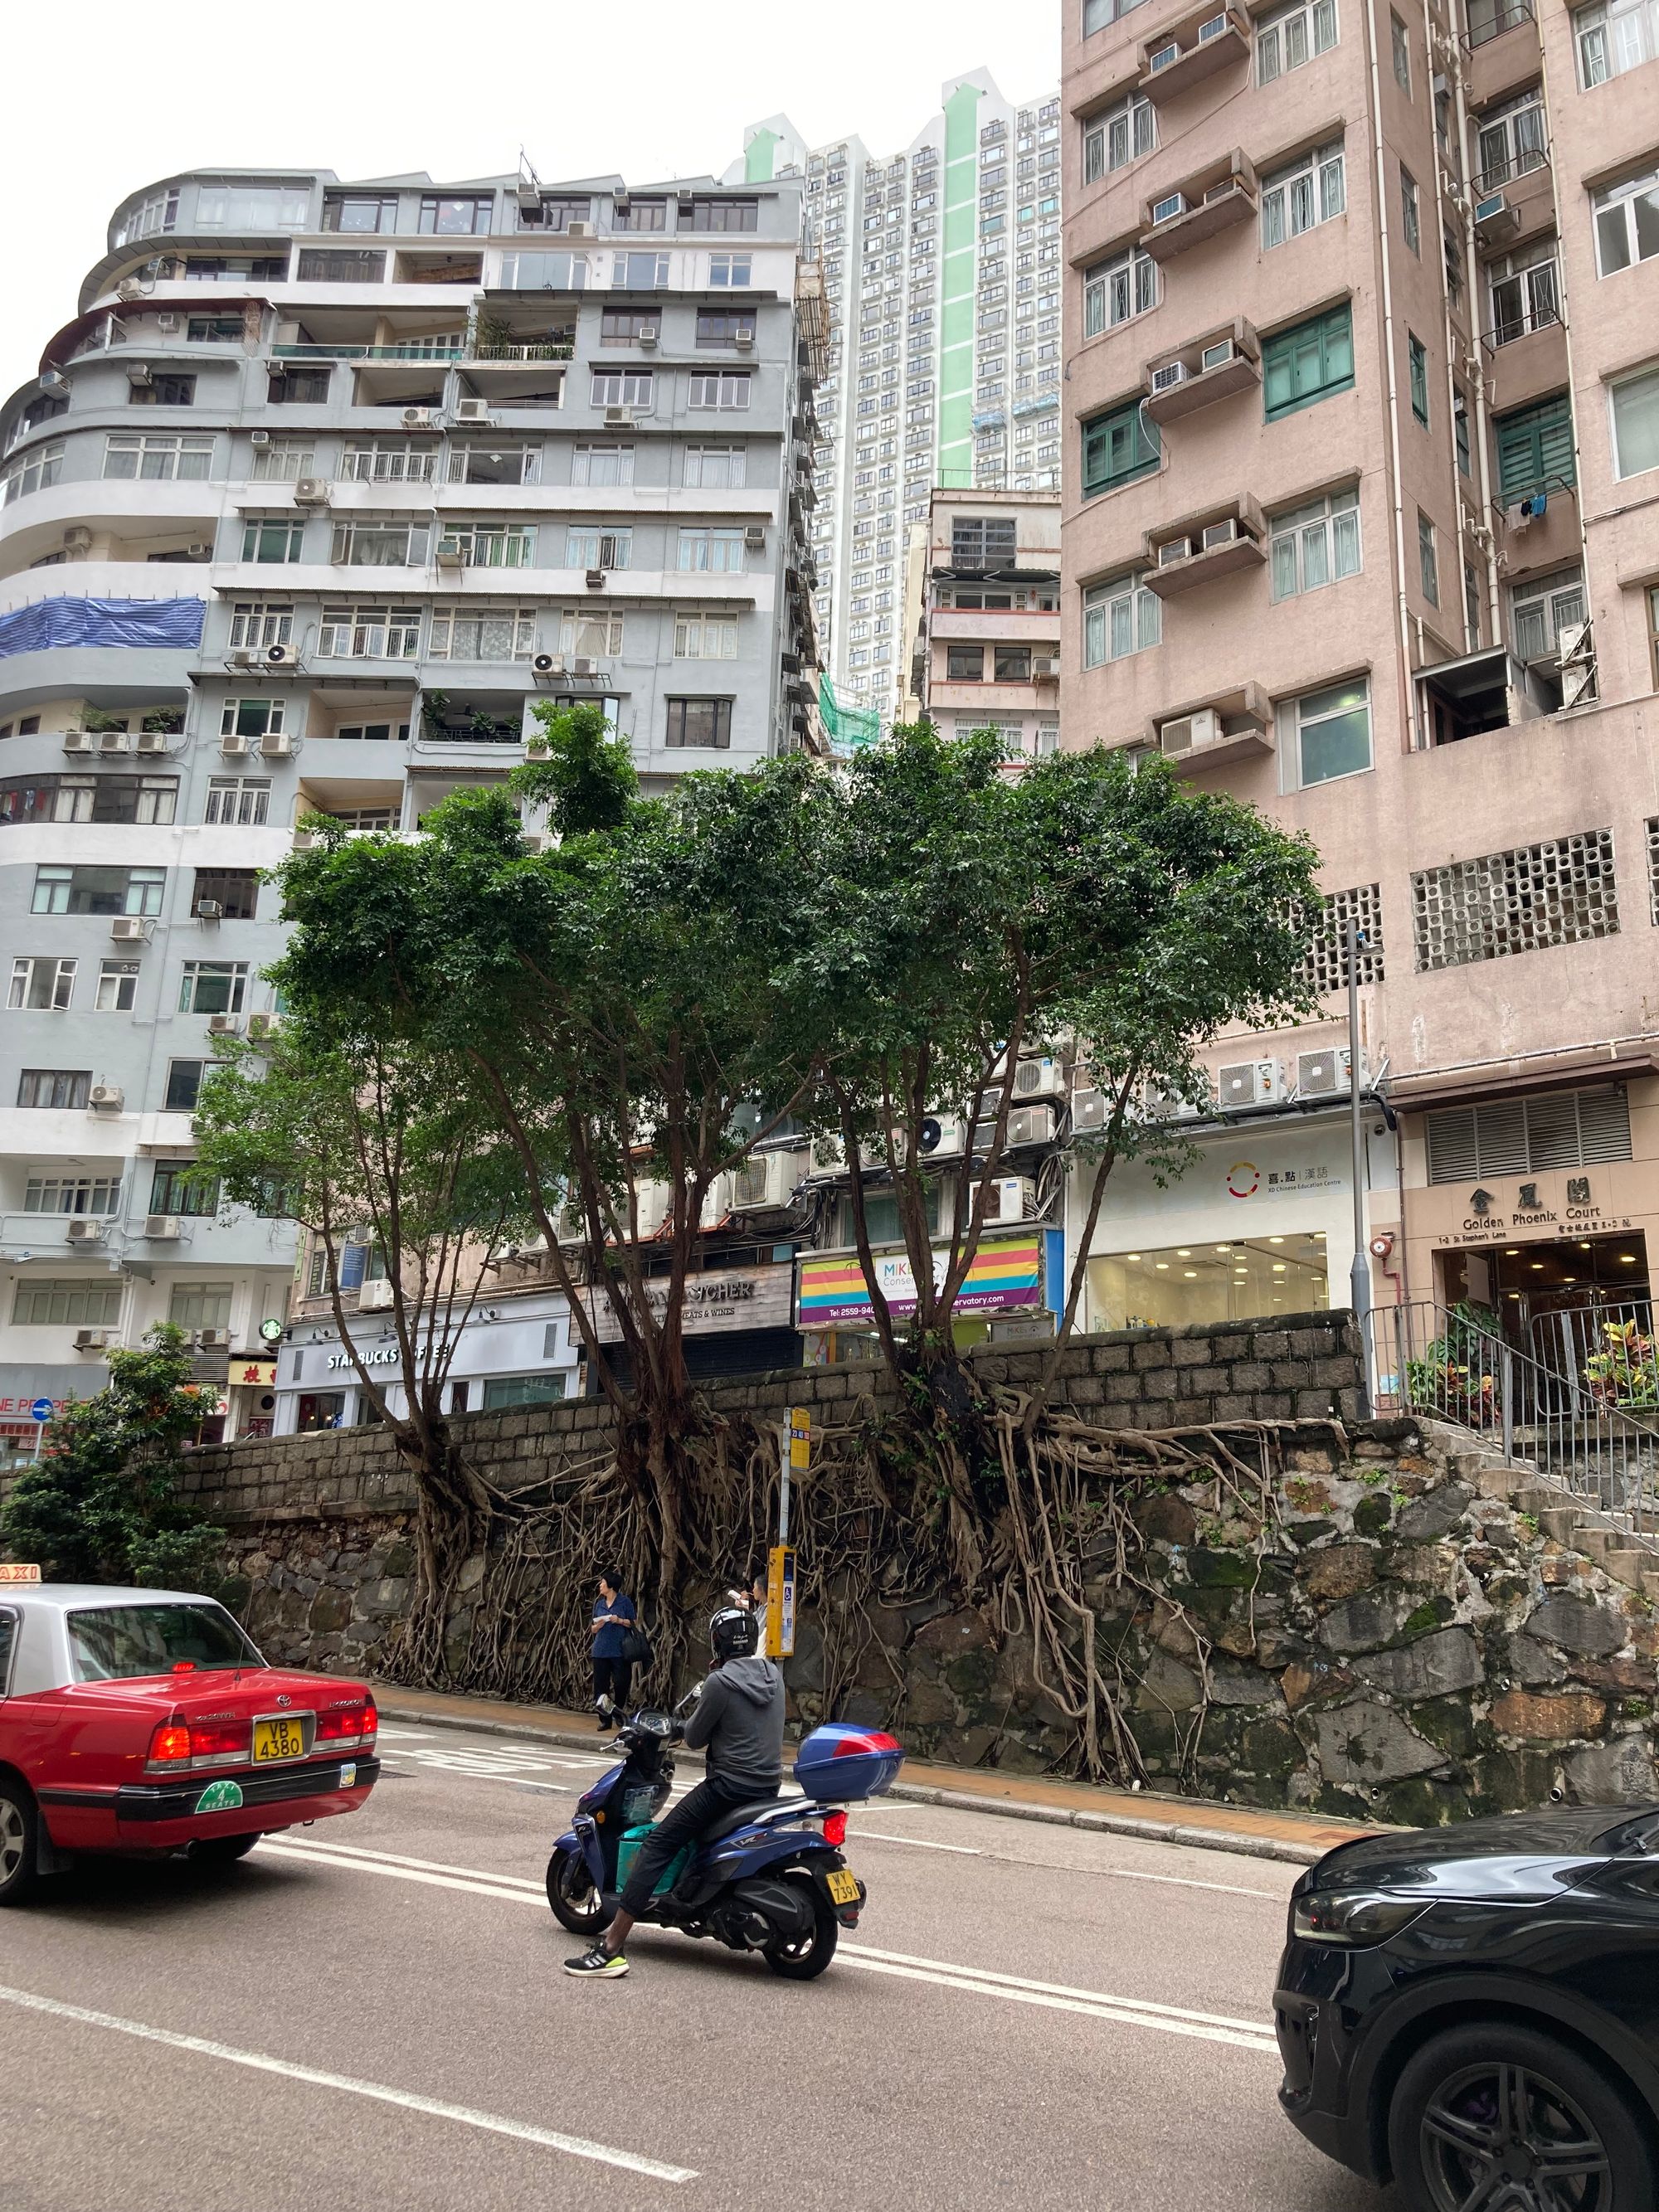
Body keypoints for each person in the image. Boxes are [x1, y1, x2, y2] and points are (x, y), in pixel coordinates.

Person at [565, 1603, 785, 1978]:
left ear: (718, 1643)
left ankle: (611, 1949)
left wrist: (681, 1726)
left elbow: (696, 1737)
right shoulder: (774, 1675)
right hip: (767, 1785)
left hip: (728, 1787)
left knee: (660, 1843)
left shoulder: (720, 1682)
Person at [590, 1571, 637, 1733]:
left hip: (619, 1651)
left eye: (603, 1583)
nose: (600, 1585)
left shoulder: (625, 1602)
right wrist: (598, 1626)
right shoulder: (599, 1604)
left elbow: (633, 1623)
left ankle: (619, 1714)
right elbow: (593, 1629)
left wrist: (620, 1620)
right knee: (600, 1688)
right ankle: (605, 1719)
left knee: (621, 1684)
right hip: (601, 1650)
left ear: (611, 1586)